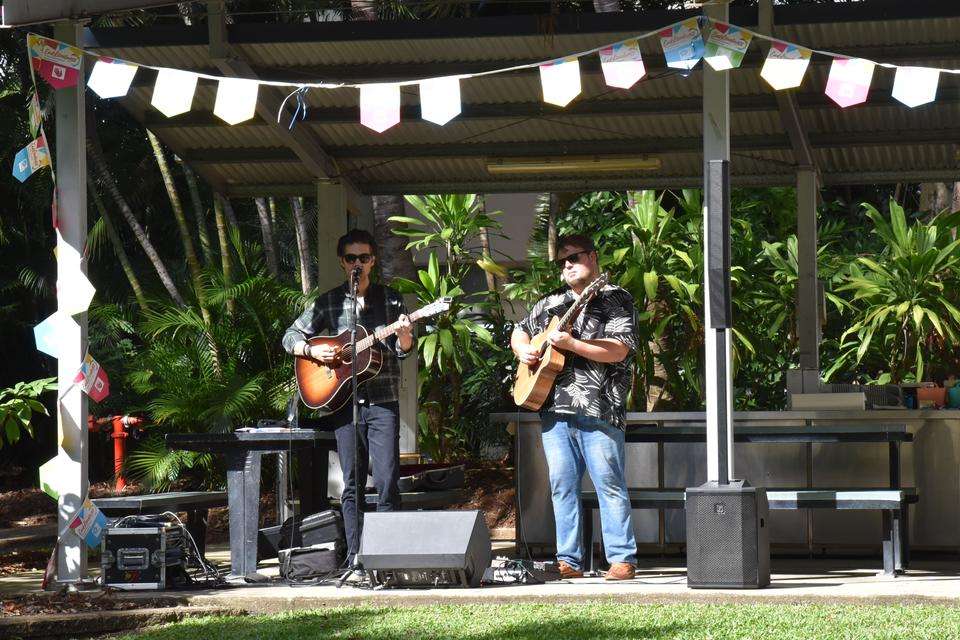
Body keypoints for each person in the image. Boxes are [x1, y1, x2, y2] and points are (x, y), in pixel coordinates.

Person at [511, 234, 639, 581]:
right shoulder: (549, 302)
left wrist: (572, 344)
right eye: (561, 261)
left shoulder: (615, 299)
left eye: (574, 257)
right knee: (562, 485)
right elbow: (520, 330)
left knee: (608, 483)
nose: (566, 265)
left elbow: (618, 350)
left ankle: (622, 559)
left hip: (599, 406)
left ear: (593, 258)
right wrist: (523, 350)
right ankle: (569, 560)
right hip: (553, 407)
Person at [282, 229, 413, 563]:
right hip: (344, 403)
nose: (359, 264)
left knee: (386, 480)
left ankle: (387, 556)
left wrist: (406, 335)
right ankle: (355, 556)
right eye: (352, 258)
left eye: (365, 258)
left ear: (373, 261)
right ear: (343, 262)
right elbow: (290, 335)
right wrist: (311, 349)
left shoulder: (391, 299)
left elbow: (401, 351)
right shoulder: (329, 301)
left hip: (383, 400)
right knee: (351, 483)